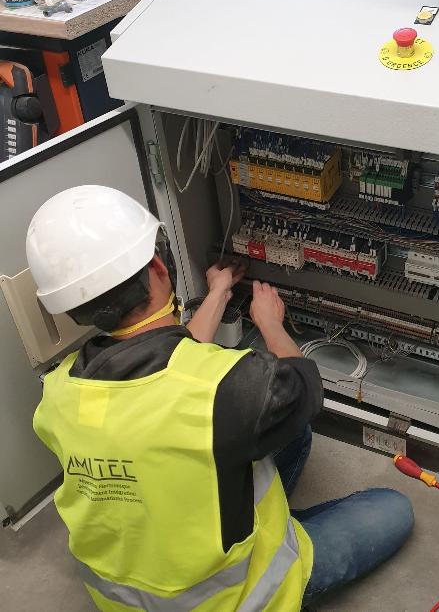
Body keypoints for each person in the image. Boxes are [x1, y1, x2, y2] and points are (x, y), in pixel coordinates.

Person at [27, 185, 414, 612]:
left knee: (293, 439)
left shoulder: (58, 392)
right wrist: (270, 323)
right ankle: (282, 543)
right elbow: (305, 387)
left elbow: (167, 359)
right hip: (237, 597)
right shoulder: (226, 391)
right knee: (393, 508)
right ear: (159, 265)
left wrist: (218, 292)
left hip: (123, 597)